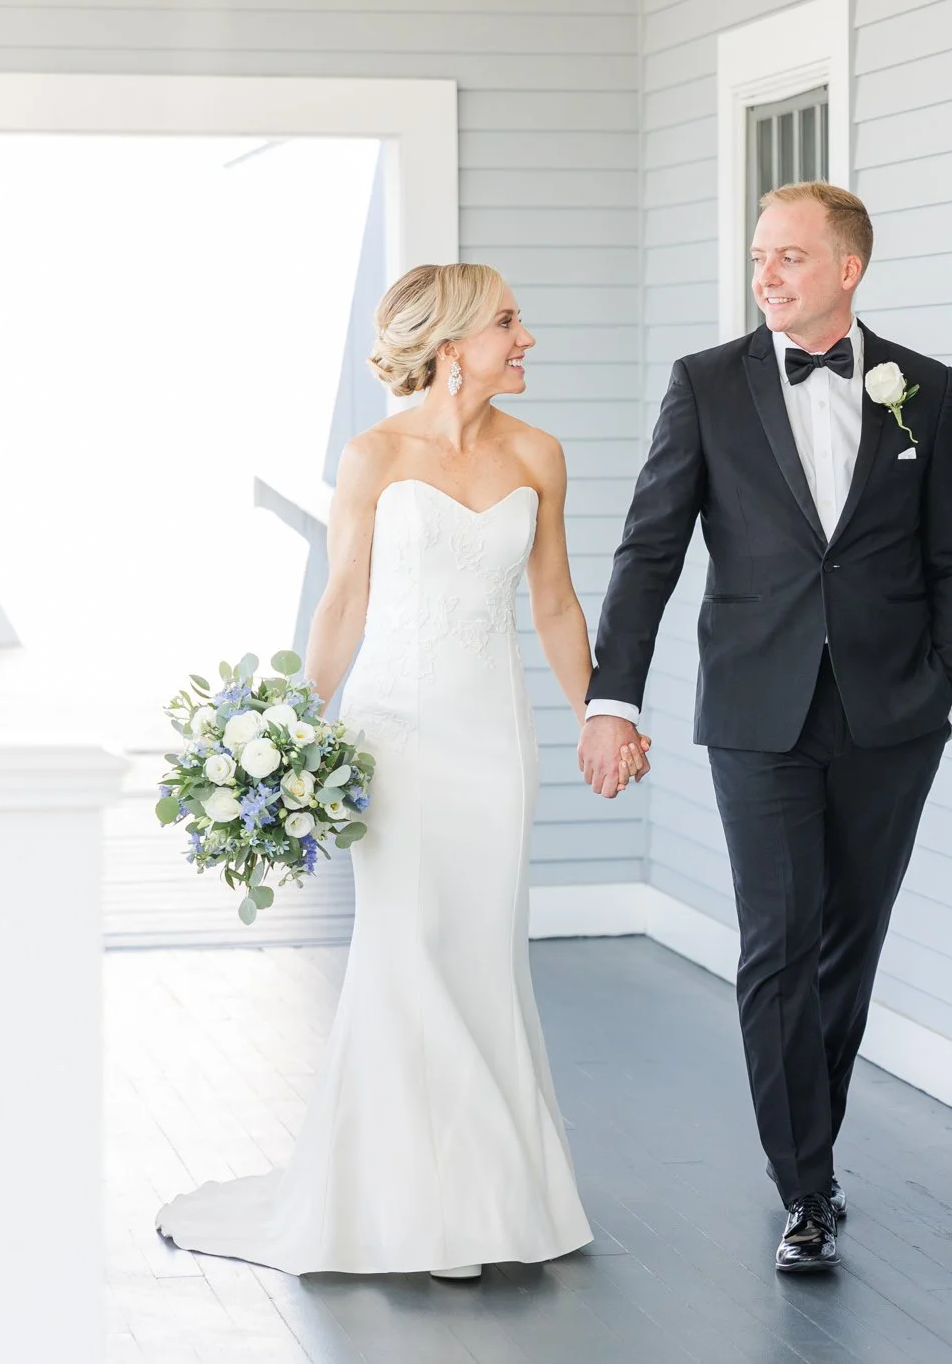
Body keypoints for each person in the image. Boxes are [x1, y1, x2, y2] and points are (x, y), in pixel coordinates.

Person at [156, 262, 644, 1279]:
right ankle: (422, 1207)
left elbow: (555, 602)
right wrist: (292, 728)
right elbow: (343, 601)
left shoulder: (538, 454)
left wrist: (601, 717)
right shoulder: (373, 456)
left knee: (483, 950)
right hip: (396, 736)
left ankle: (495, 1196)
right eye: (508, 322)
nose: (526, 339)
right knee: (407, 946)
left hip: (493, 737)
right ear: (453, 343)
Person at [579, 182, 952, 1274]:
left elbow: (951, 551)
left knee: (850, 938)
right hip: (758, 711)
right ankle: (806, 1185)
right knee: (778, 942)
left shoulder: (924, 388)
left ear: (847, 269)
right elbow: (648, 552)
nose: (766, 276)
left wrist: (951, 685)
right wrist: (613, 698)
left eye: (790, 257)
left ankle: (813, 1147)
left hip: (894, 714)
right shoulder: (706, 385)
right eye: (760, 256)